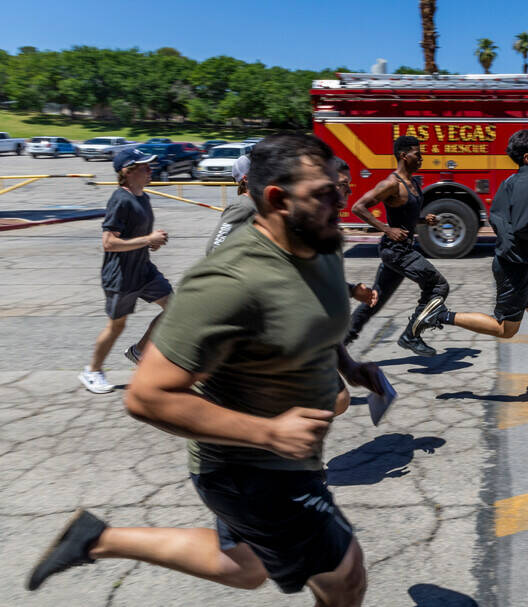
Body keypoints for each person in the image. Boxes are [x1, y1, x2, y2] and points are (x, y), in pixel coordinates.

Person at [29, 134, 385, 606]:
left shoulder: (319, 243)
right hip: (249, 468)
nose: (340, 198)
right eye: (324, 192)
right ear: (277, 200)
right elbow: (147, 396)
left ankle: (97, 539)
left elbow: (315, 317)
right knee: (344, 577)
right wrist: (268, 433)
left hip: (290, 456)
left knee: (242, 567)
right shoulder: (229, 281)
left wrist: (350, 366)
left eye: (338, 186)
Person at [409, 129, 528, 403]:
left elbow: (498, 218)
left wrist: (521, 243)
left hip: (521, 261)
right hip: (515, 266)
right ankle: (440, 315)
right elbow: (525, 225)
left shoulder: (513, 181)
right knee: (506, 329)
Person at [207, 155, 377, 306]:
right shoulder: (244, 206)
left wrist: (350, 290)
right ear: (247, 179)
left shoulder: (270, 209)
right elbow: (215, 249)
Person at [79, 147, 173, 394]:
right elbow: (109, 242)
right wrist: (147, 239)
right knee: (116, 326)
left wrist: (152, 242)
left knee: (176, 308)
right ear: (128, 172)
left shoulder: (143, 197)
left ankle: (140, 351)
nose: (150, 170)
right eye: (144, 166)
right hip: (121, 276)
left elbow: (138, 236)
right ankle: (92, 371)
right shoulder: (120, 199)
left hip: (144, 270)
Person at [345, 136, 444, 356]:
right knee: (438, 286)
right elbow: (358, 207)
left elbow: (405, 216)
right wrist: (387, 229)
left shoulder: (414, 183)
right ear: (403, 155)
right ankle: (412, 335)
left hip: (402, 249)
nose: (421, 158)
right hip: (395, 250)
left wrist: (422, 220)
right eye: (417, 154)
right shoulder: (391, 184)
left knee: (375, 300)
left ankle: (341, 344)